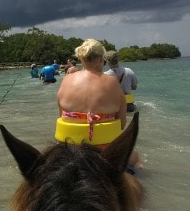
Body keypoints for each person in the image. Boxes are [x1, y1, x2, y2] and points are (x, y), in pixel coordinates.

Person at [56, 39, 140, 171]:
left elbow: (62, 117)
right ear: (101, 59)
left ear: (81, 58)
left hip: (71, 151)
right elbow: (122, 124)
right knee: (135, 159)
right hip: (104, 153)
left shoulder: (66, 80)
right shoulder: (112, 82)